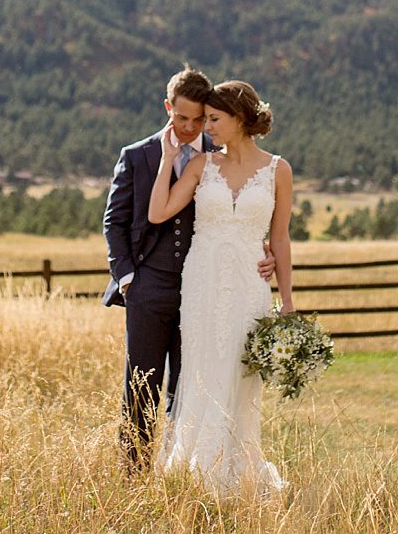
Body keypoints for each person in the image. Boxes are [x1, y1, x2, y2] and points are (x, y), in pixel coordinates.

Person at [103, 67, 274, 473]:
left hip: (204, 291)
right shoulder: (137, 155)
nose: (190, 126)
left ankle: (183, 471)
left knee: (190, 386)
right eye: (182, 118)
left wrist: (258, 244)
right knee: (140, 385)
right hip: (147, 286)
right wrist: (128, 279)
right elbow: (115, 222)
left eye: (199, 119)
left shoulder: (215, 159)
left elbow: (239, 204)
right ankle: (135, 475)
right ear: (168, 108)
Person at [147, 79, 294, 495]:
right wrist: (166, 159)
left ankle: (235, 472)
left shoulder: (278, 170)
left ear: (240, 118)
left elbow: (280, 238)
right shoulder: (201, 166)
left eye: (214, 119)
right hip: (201, 281)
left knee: (238, 370)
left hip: (249, 283)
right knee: (200, 367)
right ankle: (195, 470)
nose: (206, 127)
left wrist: (287, 302)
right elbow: (159, 212)